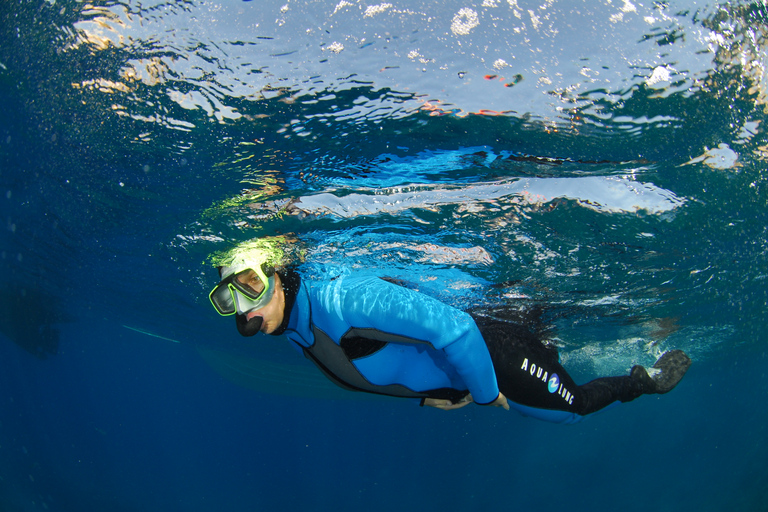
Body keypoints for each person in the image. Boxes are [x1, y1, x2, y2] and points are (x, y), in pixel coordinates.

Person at [208, 239, 691, 424]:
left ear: (277, 272)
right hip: (464, 371)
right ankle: (546, 339)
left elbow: (457, 330)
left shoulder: (340, 300)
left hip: (492, 351)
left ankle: (646, 378)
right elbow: (366, 365)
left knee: (572, 410)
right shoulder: (291, 323)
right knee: (545, 318)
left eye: (251, 283)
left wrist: (483, 395)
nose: (246, 310)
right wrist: (433, 393)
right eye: (231, 296)